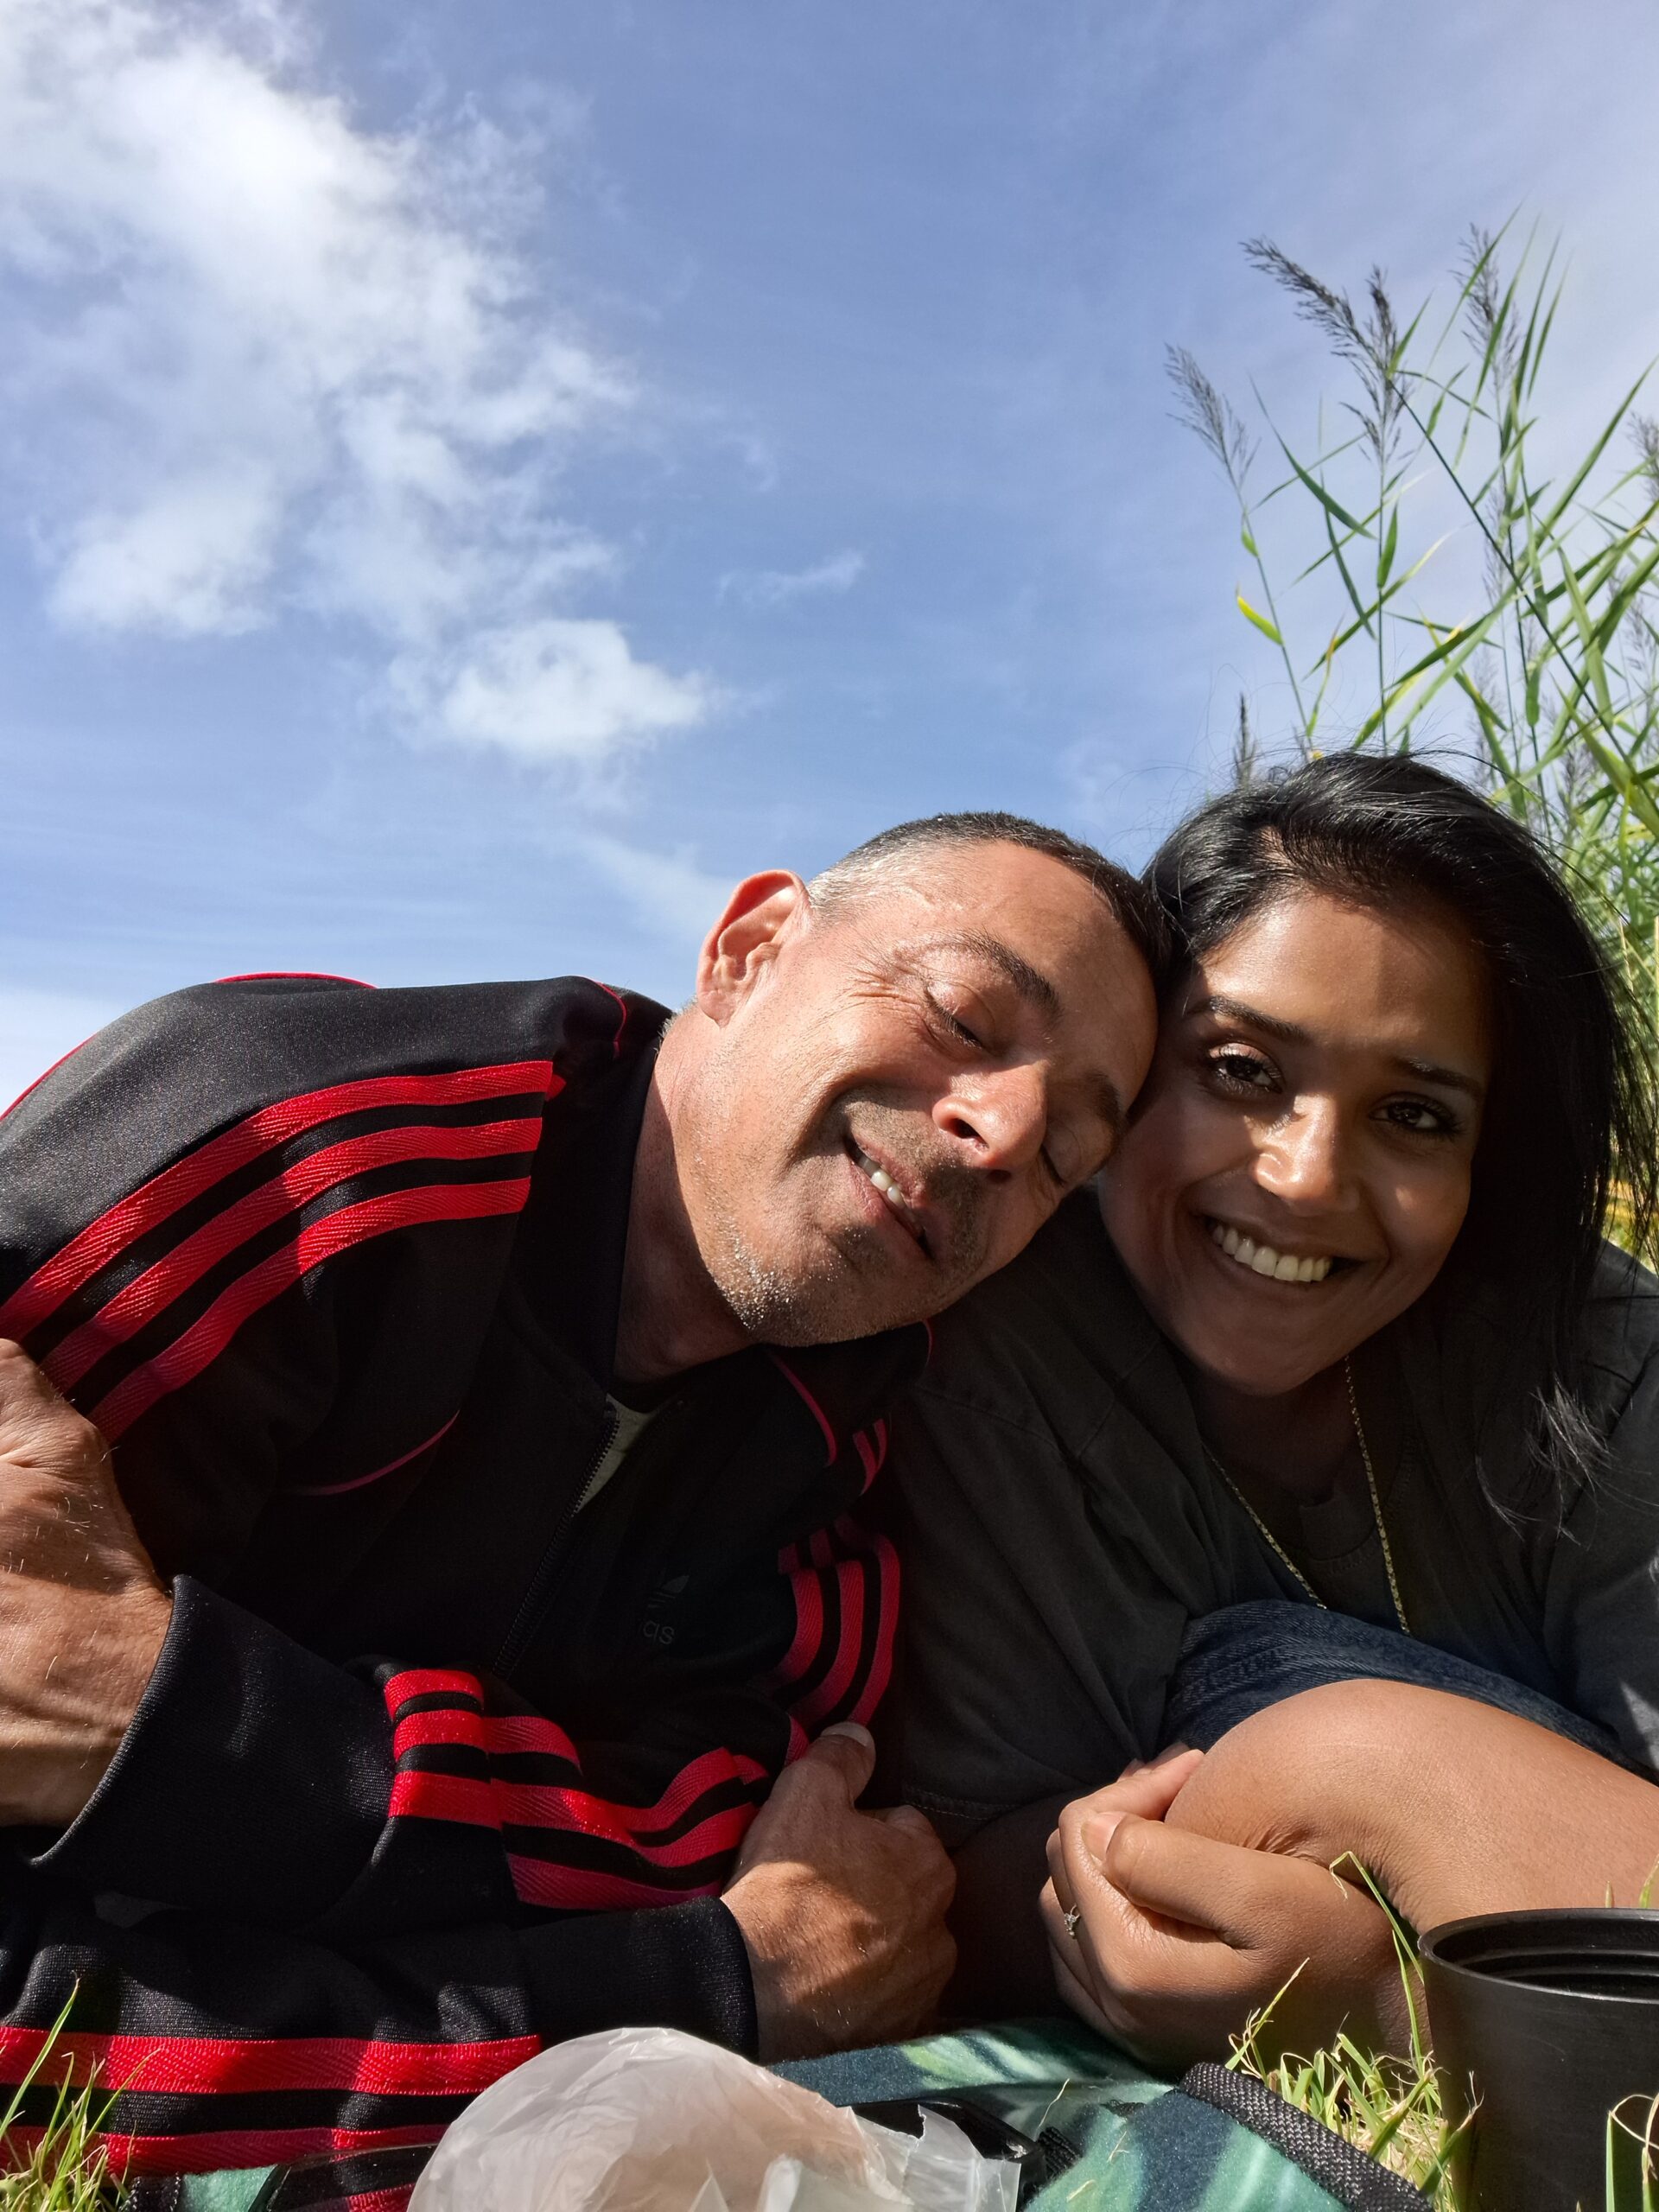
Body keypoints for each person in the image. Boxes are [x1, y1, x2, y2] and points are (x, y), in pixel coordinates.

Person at [0, 810, 1161, 2176]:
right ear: (748, 950)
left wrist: (178, 1729)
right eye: (962, 1017)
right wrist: (699, 1995)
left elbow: (742, 1854)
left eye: (1069, 1154)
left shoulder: (849, 1445)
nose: (1007, 1133)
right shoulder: (291, 1159)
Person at [883, 755, 1659, 2063]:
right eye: (1242, 1070)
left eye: (1414, 1114)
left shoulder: (1605, 1356)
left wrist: (1382, 1958)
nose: (1305, 1178)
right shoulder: (999, 1352)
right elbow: (976, 1869)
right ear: (1131, 1070)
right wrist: (1156, 1882)